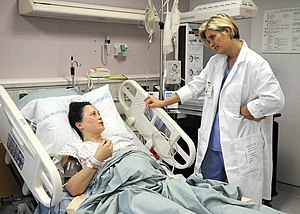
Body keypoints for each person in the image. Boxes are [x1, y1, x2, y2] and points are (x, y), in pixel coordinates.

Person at [145, 13, 285, 203]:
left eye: (213, 37)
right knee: (211, 194)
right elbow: (195, 86)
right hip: (213, 144)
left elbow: (275, 100)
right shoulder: (216, 62)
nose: (211, 44)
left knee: (241, 199)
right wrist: (162, 102)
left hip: (239, 144)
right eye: (208, 40)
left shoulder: (255, 64)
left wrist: (248, 110)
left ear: (227, 31)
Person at [51, 101, 285, 214]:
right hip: (130, 191)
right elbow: (72, 188)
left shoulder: (122, 139)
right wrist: (98, 159)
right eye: (93, 114)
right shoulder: (73, 149)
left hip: (161, 181)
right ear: (79, 124)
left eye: (100, 112)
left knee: (216, 203)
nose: (100, 117)